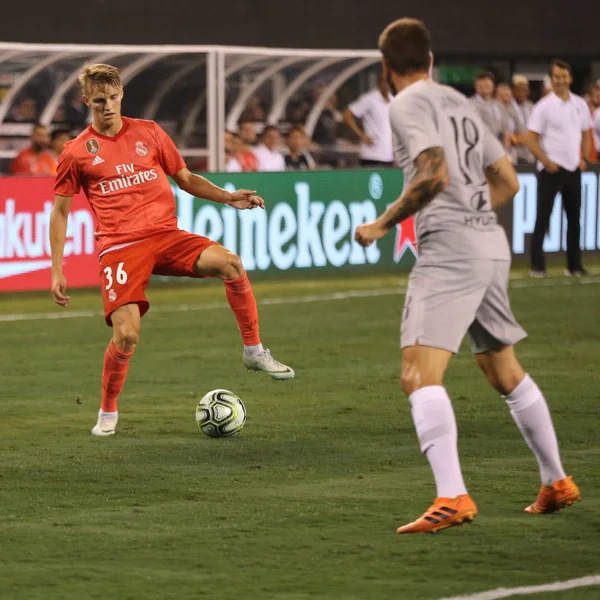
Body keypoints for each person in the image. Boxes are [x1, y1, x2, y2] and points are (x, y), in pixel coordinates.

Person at [354, 18, 579, 535]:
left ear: (387, 68)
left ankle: (452, 494)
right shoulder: (463, 103)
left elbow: (433, 172)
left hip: (452, 250)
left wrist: (384, 223)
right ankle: (556, 480)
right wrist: (474, 217)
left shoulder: (406, 104)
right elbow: (507, 180)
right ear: (431, 61)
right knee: (502, 368)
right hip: (489, 243)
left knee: (418, 374)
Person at [50, 64, 294, 437]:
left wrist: (228, 196)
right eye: (100, 101)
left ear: (121, 95)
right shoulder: (76, 152)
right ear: (87, 101)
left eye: (114, 98)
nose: (108, 106)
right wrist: (57, 269)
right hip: (120, 247)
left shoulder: (149, 132)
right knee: (127, 335)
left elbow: (185, 178)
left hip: (166, 235)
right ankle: (108, 411)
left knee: (230, 263)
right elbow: (60, 212)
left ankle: (254, 351)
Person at [524, 59, 593, 278]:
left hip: (573, 167)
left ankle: (574, 265)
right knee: (543, 218)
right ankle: (537, 266)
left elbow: (586, 132)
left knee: (574, 219)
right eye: (556, 77)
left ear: (570, 78)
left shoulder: (580, 104)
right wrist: (545, 161)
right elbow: (530, 138)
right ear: (551, 79)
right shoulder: (543, 106)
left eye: (564, 76)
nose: (560, 81)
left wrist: (584, 157)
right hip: (551, 169)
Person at [343, 74, 394, 168]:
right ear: (379, 83)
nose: (386, 85)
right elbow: (347, 115)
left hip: (389, 157)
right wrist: (362, 135)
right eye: (384, 82)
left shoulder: (393, 100)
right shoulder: (369, 99)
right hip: (371, 156)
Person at [470, 71, 509, 150]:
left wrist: (505, 152)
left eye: (487, 85)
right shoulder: (469, 104)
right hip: (480, 148)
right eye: (481, 86)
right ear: (476, 87)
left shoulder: (499, 105)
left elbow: (506, 131)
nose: (484, 89)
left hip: (499, 148)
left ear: (493, 86)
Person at [508, 75, 535, 166]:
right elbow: (508, 134)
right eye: (518, 89)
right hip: (514, 155)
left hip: (532, 154)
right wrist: (521, 140)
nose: (521, 93)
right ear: (513, 90)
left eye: (524, 90)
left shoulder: (532, 107)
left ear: (528, 91)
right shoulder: (508, 107)